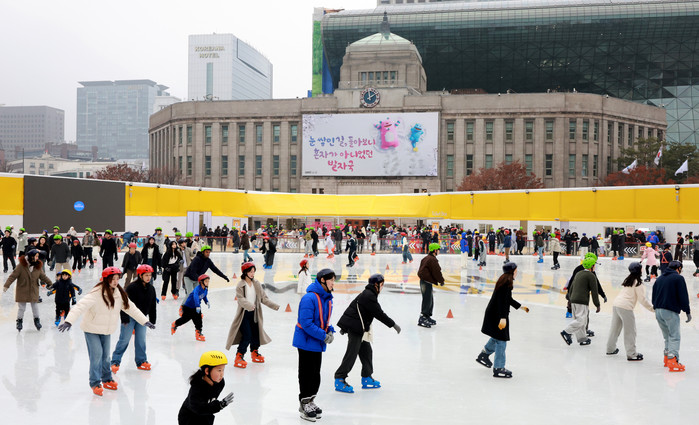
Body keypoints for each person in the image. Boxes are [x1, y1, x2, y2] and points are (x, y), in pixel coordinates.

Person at [58, 267, 154, 395]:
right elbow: (80, 306)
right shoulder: (96, 293)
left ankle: (107, 378)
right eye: (112, 279)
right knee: (97, 355)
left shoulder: (119, 294)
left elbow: (131, 308)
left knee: (106, 357)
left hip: (106, 330)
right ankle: (95, 382)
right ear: (106, 279)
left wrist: (144, 321)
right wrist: (69, 321)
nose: (115, 281)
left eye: (117, 279)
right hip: (91, 329)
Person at [334, 274, 400, 393]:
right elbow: (379, 314)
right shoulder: (369, 296)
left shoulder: (368, 293)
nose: (382, 287)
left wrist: (344, 326)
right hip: (356, 328)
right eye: (382, 284)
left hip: (360, 328)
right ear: (376, 285)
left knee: (366, 352)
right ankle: (339, 378)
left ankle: (366, 377)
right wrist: (393, 324)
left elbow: (352, 307)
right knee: (351, 354)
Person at [293, 268, 336, 422]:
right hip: (306, 342)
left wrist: (330, 331)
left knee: (315, 374)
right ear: (323, 280)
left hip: (316, 341)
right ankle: (304, 403)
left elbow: (324, 320)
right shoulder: (309, 298)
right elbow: (306, 323)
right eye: (331, 280)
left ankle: (310, 400)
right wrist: (323, 335)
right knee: (306, 373)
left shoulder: (327, 299)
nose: (333, 283)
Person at [476, 262, 529, 378]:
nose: (517, 272)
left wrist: (520, 306)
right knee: (501, 340)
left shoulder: (504, 280)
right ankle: (498, 367)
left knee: (497, 336)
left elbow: (507, 299)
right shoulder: (506, 283)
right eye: (516, 271)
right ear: (512, 271)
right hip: (497, 315)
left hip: (494, 313)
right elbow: (502, 302)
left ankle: (484, 355)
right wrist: (503, 318)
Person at [226, 262, 280, 368]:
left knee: (256, 333)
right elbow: (240, 299)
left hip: (255, 314)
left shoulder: (256, 284)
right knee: (247, 335)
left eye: (253, 271)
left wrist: (274, 306)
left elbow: (263, 298)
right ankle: (239, 356)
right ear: (245, 272)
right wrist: (249, 305)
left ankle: (254, 352)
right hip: (244, 315)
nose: (252, 273)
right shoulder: (240, 285)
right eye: (250, 271)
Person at [110, 264, 158, 373]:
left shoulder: (151, 289)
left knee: (141, 340)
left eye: (150, 275)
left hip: (142, 318)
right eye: (146, 275)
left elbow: (152, 305)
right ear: (140, 275)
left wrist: (152, 320)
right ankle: (115, 361)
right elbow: (124, 304)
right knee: (124, 340)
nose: (149, 277)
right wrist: (124, 319)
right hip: (130, 318)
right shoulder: (132, 287)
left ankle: (141, 361)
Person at [606, 262, 653, 361]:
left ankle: (610, 349)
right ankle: (631, 354)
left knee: (615, 328)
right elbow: (642, 300)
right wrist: (653, 309)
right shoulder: (638, 283)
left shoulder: (628, 280)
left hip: (616, 304)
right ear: (639, 270)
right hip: (625, 307)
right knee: (630, 331)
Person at [652, 260, 691, 372]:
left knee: (667, 336)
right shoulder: (678, 278)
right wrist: (687, 311)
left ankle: (666, 358)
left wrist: (656, 307)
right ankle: (673, 360)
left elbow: (654, 295)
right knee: (674, 336)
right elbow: (683, 296)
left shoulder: (659, 278)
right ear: (678, 268)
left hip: (658, 311)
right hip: (670, 310)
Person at [179, 351, 234, 425]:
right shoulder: (196, 389)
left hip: (206, 416)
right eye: (219, 370)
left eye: (223, 370)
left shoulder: (220, 383)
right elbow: (198, 408)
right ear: (207, 371)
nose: (222, 374)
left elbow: (209, 402)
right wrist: (219, 405)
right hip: (189, 419)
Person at [3, 249, 53, 331]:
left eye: (38, 256)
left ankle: (37, 320)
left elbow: (43, 276)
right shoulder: (21, 266)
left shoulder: (37, 266)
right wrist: (6, 285)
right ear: (31, 257)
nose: (37, 258)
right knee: (22, 307)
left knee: (35, 306)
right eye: (36, 256)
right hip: (23, 289)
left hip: (33, 289)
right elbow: (13, 276)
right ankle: (19, 321)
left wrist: (50, 283)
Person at [561, 257, 600, 346]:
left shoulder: (578, 273)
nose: (595, 267)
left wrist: (569, 300)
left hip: (573, 300)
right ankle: (566, 332)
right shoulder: (591, 276)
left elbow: (571, 287)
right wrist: (597, 304)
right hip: (581, 301)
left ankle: (582, 338)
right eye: (594, 265)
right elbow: (594, 291)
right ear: (591, 266)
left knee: (581, 321)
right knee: (581, 320)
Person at [172, 274, 211, 341]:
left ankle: (198, 333)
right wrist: (197, 306)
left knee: (199, 320)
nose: (207, 283)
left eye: (208, 281)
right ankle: (175, 324)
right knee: (185, 319)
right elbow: (195, 297)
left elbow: (204, 296)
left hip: (196, 307)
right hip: (188, 307)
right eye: (206, 281)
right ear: (201, 282)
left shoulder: (205, 289)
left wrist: (206, 302)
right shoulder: (197, 289)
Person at [417, 242, 445, 328]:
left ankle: (427, 316)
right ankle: (422, 318)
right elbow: (436, 272)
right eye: (438, 250)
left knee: (429, 300)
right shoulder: (432, 260)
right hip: (426, 282)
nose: (439, 251)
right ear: (435, 250)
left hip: (425, 281)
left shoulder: (426, 258)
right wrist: (441, 281)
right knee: (427, 300)